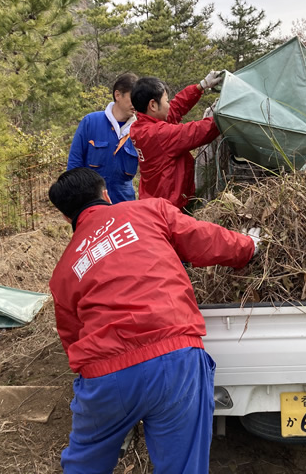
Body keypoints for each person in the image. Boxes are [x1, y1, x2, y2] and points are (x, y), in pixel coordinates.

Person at [48, 167, 261, 473]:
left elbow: (72, 339)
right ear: (105, 194)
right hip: (176, 357)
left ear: (67, 218)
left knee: (85, 463)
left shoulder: (64, 271)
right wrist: (249, 247)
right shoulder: (148, 210)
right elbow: (205, 239)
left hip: (106, 376)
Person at [130, 71, 223, 210]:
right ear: (153, 105)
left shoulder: (142, 127)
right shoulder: (157, 134)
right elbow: (195, 132)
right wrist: (221, 116)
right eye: (166, 101)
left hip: (154, 200)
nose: (168, 105)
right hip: (169, 207)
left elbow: (175, 108)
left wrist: (200, 87)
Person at [67, 72, 139, 204]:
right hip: (91, 203)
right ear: (118, 95)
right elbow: (74, 165)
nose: (136, 104)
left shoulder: (140, 130)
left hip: (123, 205)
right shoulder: (91, 122)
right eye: (132, 98)